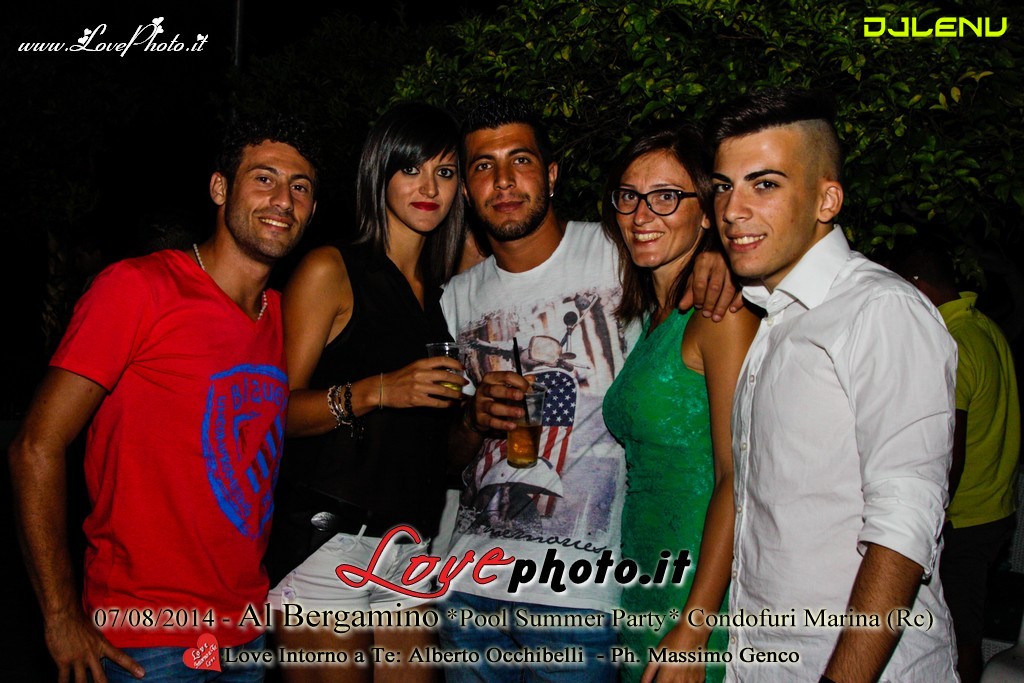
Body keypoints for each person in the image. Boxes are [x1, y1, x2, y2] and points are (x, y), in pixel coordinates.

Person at [8, 113, 320, 683]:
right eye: (264, 179)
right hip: (146, 640)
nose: (283, 200)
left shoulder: (284, 320)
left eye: (300, 187)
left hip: (245, 636)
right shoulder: (139, 288)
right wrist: (59, 616)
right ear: (220, 188)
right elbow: (35, 447)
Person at [436, 96, 739, 683]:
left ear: (551, 174)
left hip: (578, 597)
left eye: (521, 160)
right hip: (468, 590)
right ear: (467, 190)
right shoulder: (456, 298)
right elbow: (444, 461)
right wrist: (471, 418)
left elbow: (681, 236)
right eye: (483, 166)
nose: (504, 180)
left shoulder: (620, 248)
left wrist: (719, 258)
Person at [709, 86, 959, 682]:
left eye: (764, 184)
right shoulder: (776, 318)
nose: (732, 210)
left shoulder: (880, 310)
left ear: (827, 199)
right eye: (723, 186)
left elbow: (904, 523)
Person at [264, 102, 467, 683]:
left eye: (445, 172)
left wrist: (477, 417)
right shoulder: (331, 269)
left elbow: (432, 447)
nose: (429, 187)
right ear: (380, 173)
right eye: (411, 169)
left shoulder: (440, 296)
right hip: (329, 541)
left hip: (410, 545)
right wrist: (379, 390)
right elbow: (273, 413)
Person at [600, 124, 758, 683]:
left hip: (699, 591)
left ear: (708, 212)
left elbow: (738, 477)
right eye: (629, 196)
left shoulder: (722, 314)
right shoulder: (657, 317)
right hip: (648, 575)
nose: (642, 214)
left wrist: (694, 628)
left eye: (666, 196)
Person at [893, 246, 1021, 683]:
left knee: (956, 640)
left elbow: (948, 450)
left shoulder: (951, 343)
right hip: (994, 510)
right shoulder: (984, 327)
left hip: (962, 520)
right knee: (961, 627)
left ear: (915, 287)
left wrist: (929, 519)